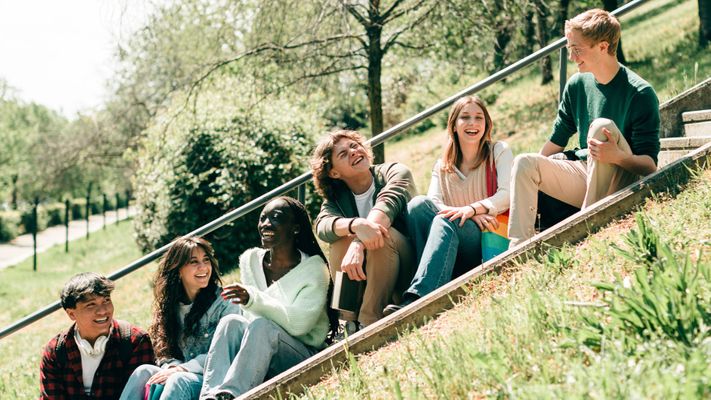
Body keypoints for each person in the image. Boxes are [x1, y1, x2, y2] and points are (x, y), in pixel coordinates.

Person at [508, 8, 660, 247]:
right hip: (586, 170)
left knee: (601, 127)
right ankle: (517, 249)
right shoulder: (577, 84)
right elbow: (557, 138)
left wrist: (617, 156)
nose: (571, 57)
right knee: (523, 162)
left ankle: (587, 222)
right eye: (570, 49)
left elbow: (650, 166)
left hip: (622, 175)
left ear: (602, 47)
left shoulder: (640, 93)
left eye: (576, 50)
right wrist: (527, 178)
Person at [384, 96, 513, 315]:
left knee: (444, 219)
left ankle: (420, 297)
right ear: (453, 124)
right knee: (417, 205)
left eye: (478, 118)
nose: (472, 123)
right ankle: (434, 276)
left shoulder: (498, 151)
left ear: (486, 124)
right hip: (456, 229)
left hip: (484, 238)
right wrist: (469, 214)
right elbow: (433, 203)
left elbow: (508, 194)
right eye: (465, 117)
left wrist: (472, 210)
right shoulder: (442, 166)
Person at [199, 196, 337, 400]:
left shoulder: (314, 269)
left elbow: (299, 325)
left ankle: (231, 395)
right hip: (260, 351)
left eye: (276, 217)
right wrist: (251, 302)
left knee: (263, 326)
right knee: (231, 322)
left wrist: (252, 299)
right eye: (262, 218)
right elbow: (249, 319)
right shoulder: (250, 260)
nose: (265, 224)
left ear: (295, 228)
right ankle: (210, 396)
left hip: (301, 354)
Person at [310, 130, 416, 329]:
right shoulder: (337, 201)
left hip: (408, 268)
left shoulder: (394, 172)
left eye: (354, 146)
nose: (353, 151)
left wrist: (359, 242)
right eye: (343, 154)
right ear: (334, 173)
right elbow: (322, 226)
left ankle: (369, 321)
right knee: (340, 239)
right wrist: (356, 225)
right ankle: (347, 322)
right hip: (370, 278)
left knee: (381, 236)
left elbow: (387, 205)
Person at [119, 236, 240, 400]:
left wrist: (181, 370)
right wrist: (173, 366)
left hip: (213, 382)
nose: (203, 267)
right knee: (144, 372)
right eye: (194, 262)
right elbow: (165, 352)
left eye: (206, 260)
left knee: (178, 379)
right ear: (178, 269)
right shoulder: (170, 306)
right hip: (181, 373)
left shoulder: (225, 302)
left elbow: (229, 351)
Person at [39, 272, 154, 399]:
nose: (103, 311)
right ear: (71, 314)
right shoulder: (55, 351)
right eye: (91, 305)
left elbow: (139, 396)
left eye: (106, 300)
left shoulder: (135, 341)